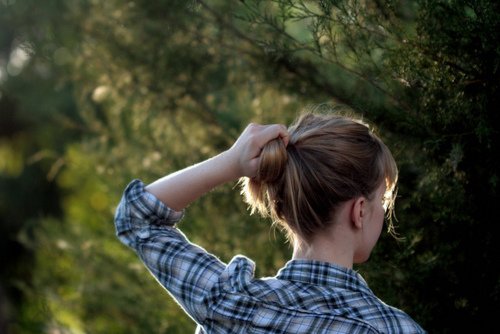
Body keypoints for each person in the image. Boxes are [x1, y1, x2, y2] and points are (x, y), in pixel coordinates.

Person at [114, 110, 426, 333]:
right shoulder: (392, 327)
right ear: (359, 211)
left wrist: (233, 162)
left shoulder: (233, 303)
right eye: (383, 201)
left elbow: (137, 217)